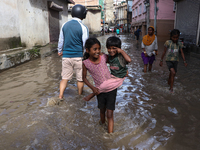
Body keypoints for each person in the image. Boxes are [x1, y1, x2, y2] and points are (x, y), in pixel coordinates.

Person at [82, 37, 131, 133]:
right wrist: (92, 88)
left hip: (111, 88)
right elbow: (83, 78)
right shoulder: (86, 63)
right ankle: (102, 125)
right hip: (98, 91)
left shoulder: (103, 57)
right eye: (95, 49)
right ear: (87, 50)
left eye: (99, 49)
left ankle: (110, 136)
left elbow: (116, 62)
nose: (97, 51)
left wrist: (124, 70)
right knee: (101, 110)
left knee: (109, 114)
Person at [57, 4, 89, 100]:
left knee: (64, 78)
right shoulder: (83, 27)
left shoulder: (64, 25)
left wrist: (59, 50)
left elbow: (61, 40)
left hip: (66, 56)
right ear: (83, 14)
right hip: (78, 57)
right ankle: (79, 96)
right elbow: (85, 43)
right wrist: (85, 54)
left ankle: (60, 95)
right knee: (80, 78)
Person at [159, 29, 187, 93]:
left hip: (176, 61)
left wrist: (184, 61)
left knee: (172, 74)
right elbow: (164, 51)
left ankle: (168, 83)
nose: (175, 39)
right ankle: (171, 89)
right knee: (173, 72)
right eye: (174, 37)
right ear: (171, 37)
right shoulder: (168, 42)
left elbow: (182, 53)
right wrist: (161, 60)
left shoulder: (179, 44)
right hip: (169, 60)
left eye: (176, 37)